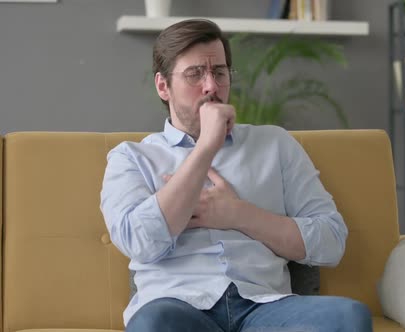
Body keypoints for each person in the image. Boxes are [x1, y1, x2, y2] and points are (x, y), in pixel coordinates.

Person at [100, 18, 372, 332]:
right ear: (163, 86)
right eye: (194, 74)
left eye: (219, 72)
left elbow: (331, 241)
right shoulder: (131, 158)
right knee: (153, 323)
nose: (211, 86)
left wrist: (238, 214)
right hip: (179, 309)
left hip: (265, 308)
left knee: (349, 317)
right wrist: (205, 148)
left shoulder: (275, 144)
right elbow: (139, 242)